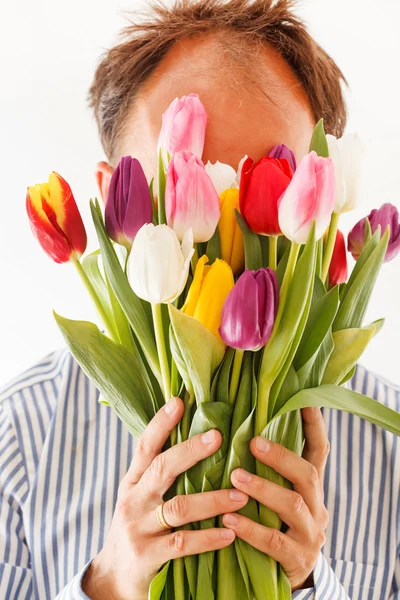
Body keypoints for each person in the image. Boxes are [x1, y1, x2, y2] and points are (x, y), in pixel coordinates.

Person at [0, 1, 399, 599]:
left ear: (319, 200)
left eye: (266, 177)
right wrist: (106, 588)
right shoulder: (18, 445)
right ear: (116, 198)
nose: (222, 227)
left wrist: (314, 586)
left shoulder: (390, 454)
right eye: (186, 174)